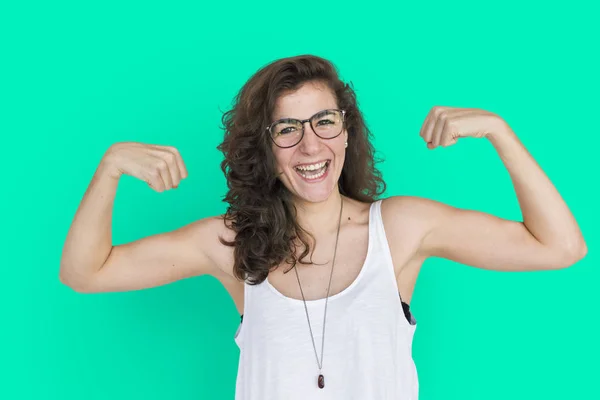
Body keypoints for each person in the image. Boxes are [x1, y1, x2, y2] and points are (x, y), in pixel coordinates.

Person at [59, 54, 587, 400]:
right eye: (287, 129)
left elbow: (561, 246)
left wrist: (500, 132)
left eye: (324, 122)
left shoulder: (400, 229)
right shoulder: (233, 242)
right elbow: (85, 272)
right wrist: (109, 170)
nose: (311, 147)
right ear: (263, 148)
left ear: (346, 131)